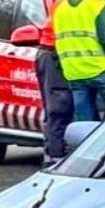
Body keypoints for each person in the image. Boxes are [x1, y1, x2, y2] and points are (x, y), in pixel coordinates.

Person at [52, 0, 105, 123]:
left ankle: (88, 144)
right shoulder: (98, 4)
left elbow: (58, 39)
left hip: (74, 71)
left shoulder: (61, 8)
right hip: (99, 67)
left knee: (84, 119)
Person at [32, 27, 73, 164]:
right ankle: (55, 157)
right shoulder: (65, 6)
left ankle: (55, 153)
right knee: (59, 107)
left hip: (68, 57)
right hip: (55, 55)